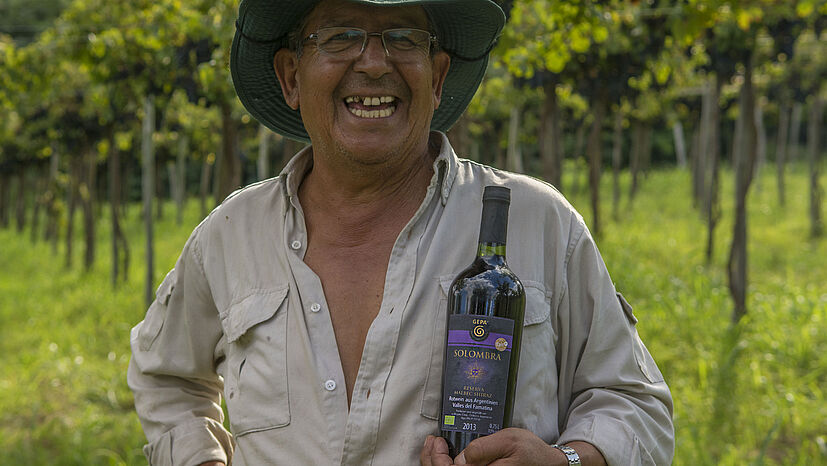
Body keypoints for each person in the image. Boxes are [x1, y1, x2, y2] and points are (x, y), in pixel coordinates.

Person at [128, 0, 674, 464]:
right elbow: (167, 378)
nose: (373, 62)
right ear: (291, 77)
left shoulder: (539, 223)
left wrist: (570, 458)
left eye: (403, 38)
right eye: (340, 36)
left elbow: (635, 401)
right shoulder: (228, 238)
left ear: (436, 77)